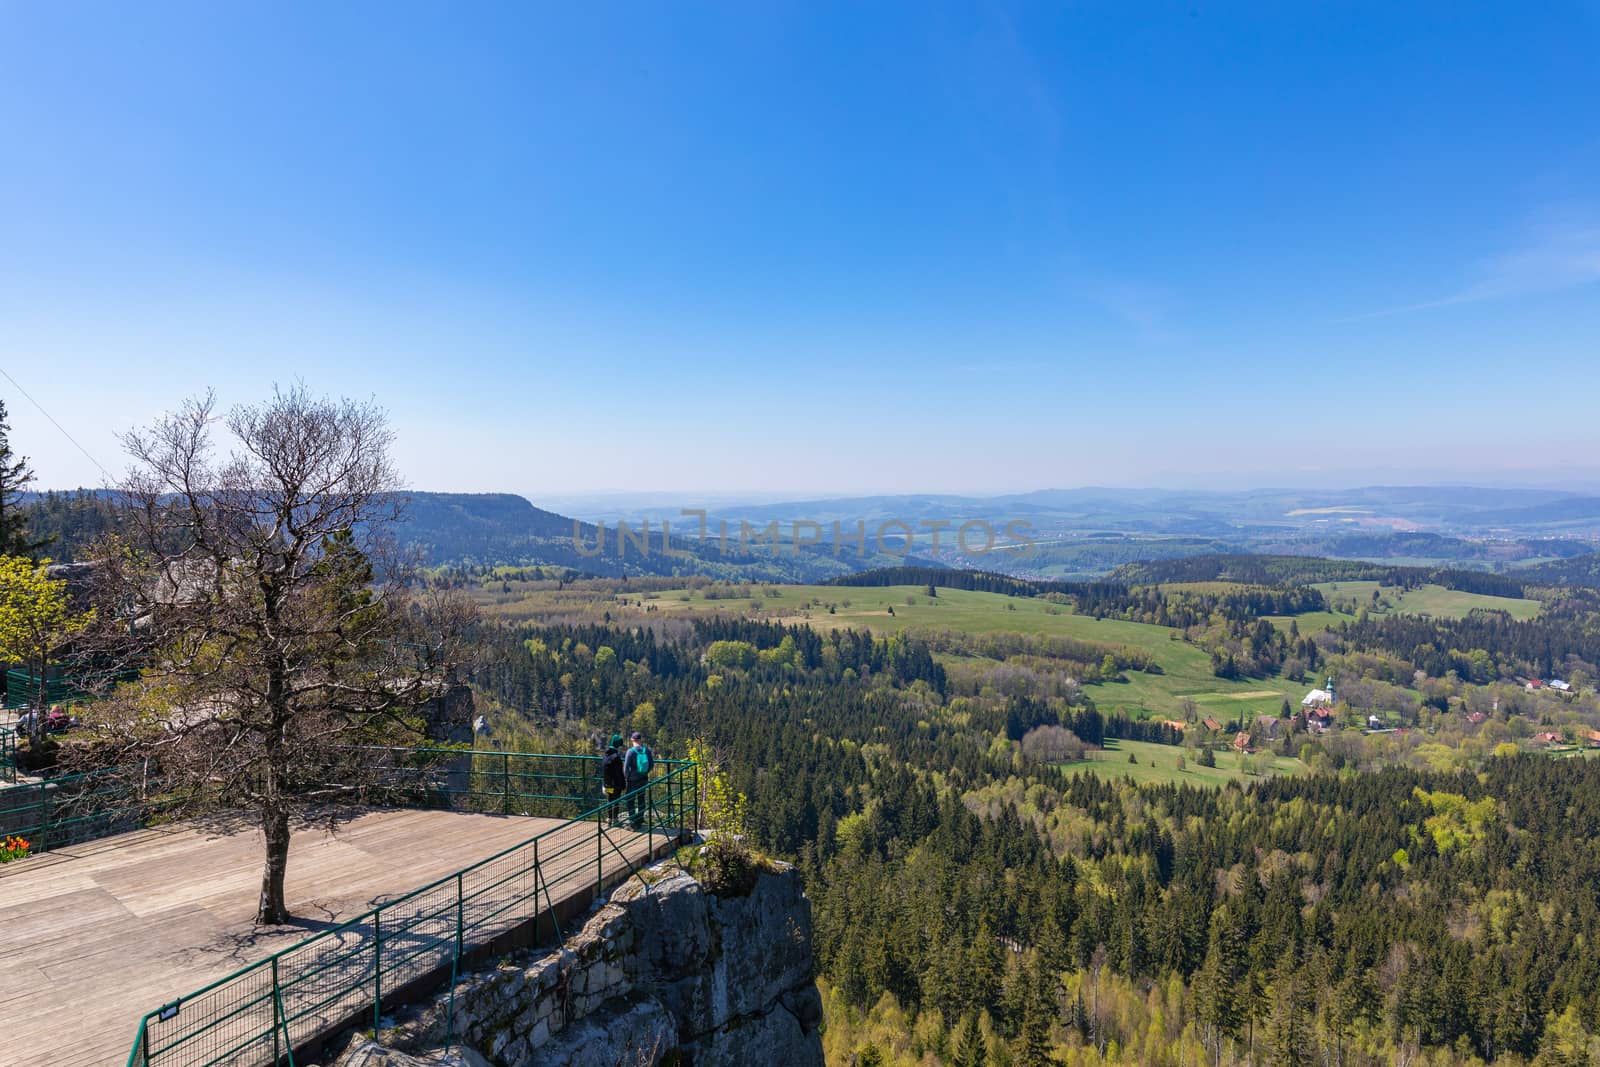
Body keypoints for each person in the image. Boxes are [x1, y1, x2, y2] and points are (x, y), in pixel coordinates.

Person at [623, 730, 653, 828]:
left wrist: (627, 777)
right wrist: (645, 772)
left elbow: (626, 768)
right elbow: (651, 765)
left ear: (632, 740)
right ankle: (640, 819)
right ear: (640, 740)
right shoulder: (646, 750)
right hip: (643, 779)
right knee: (641, 799)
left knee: (630, 800)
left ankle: (632, 820)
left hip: (632, 780)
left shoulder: (630, 752)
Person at [600, 733, 626, 824]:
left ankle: (610, 818)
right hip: (615, 785)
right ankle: (615, 819)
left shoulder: (606, 755)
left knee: (610, 800)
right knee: (616, 801)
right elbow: (619, 773)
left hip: (607, 784)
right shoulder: (616, 757)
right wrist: (623, 784)